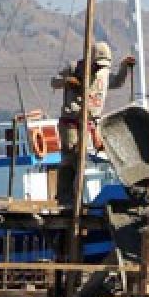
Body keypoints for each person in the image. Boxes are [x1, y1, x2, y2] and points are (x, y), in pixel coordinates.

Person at [50, 41, 134, 206]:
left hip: (90, 121)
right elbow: (54, 81)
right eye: (96, 65)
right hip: (71, 121)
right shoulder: (75, 67)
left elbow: (117, 82)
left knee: (82, 159)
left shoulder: (103, 73)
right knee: (73, 157)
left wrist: (124, 67)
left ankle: (76, 198)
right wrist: (67, 81)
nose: (98, 68)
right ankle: (67, 197)